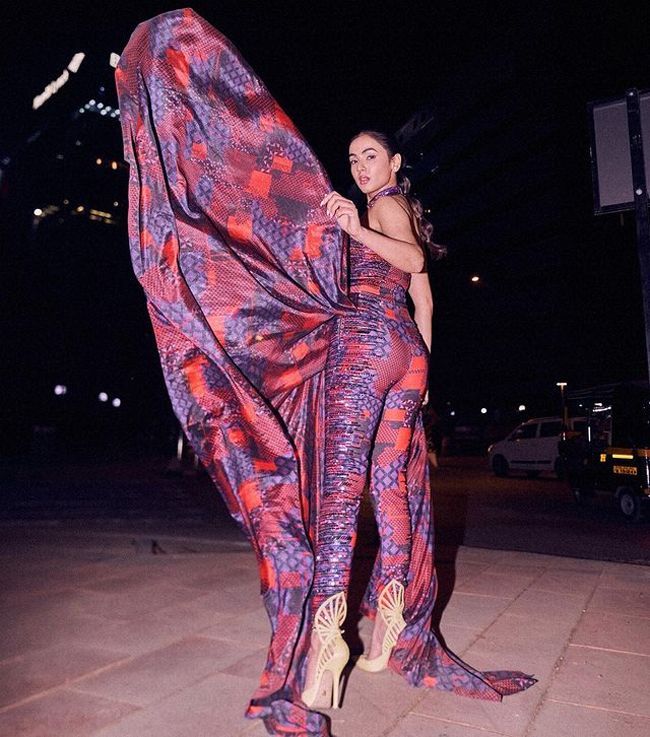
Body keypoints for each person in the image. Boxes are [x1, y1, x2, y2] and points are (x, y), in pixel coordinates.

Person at [116, 10, 535, 737]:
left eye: (371, 155)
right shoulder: (390, 209)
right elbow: (425, 297)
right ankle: (392, 620)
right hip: (404, 351)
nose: (362, 166)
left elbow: (412, 262)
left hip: (367, 345)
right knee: (392, 486)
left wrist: (351, 228)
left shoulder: (383, 208)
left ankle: (327, 640)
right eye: (354, 158)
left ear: (395, 165)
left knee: (338, 495)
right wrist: (422, 370)